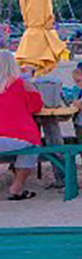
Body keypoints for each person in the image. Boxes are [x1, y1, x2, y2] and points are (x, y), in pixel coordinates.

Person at [0, 50, 43, 200]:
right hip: (19, 136)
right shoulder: (22, 84)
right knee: (32, 147)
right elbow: (37, 106)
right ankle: (16, 187)